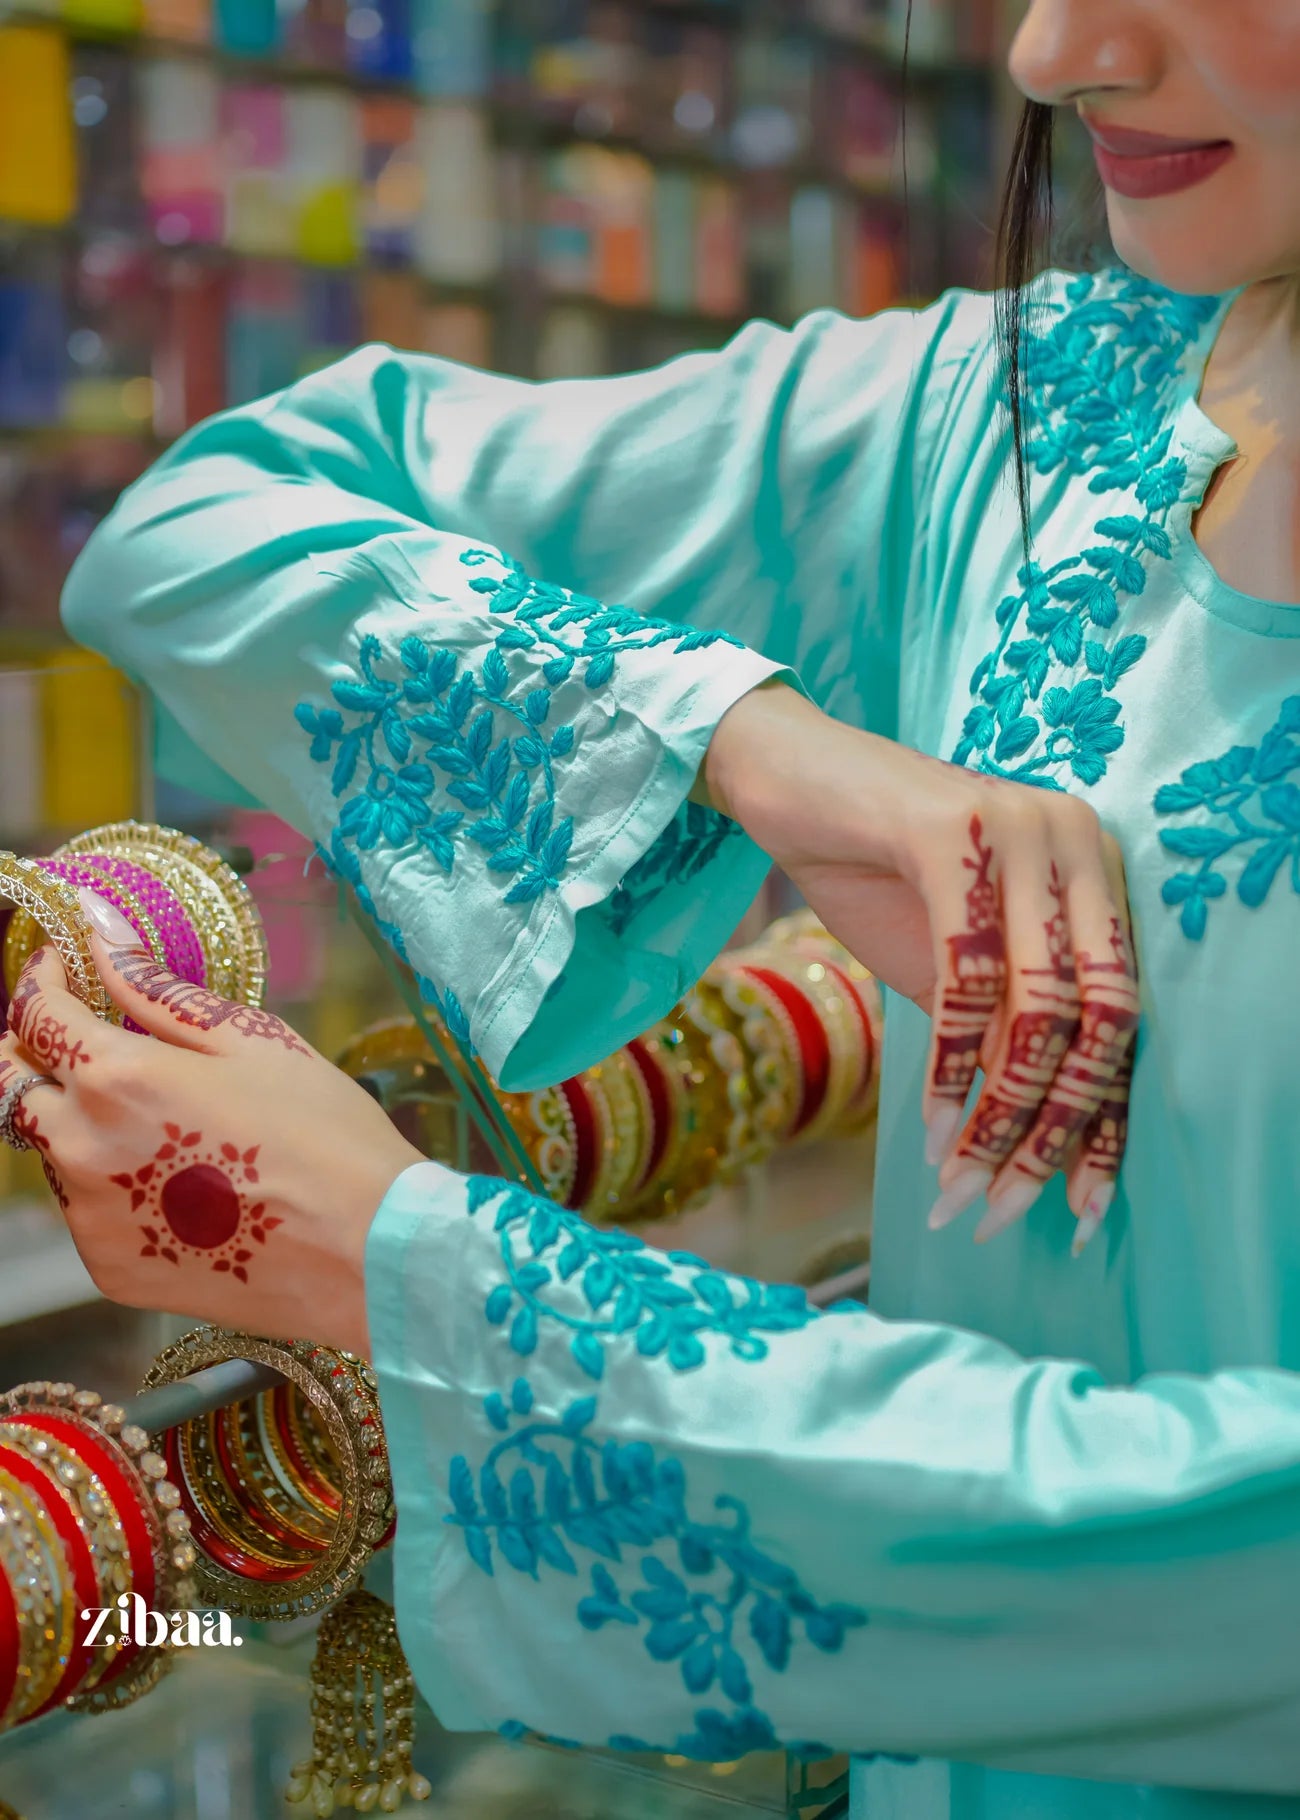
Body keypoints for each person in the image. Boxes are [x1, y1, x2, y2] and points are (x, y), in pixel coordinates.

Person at [2, 0, 1299, 1812]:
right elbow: (205, 522)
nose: (1053, 51)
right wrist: (744, 740)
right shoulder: (1006, 419)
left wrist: (428, 1273)